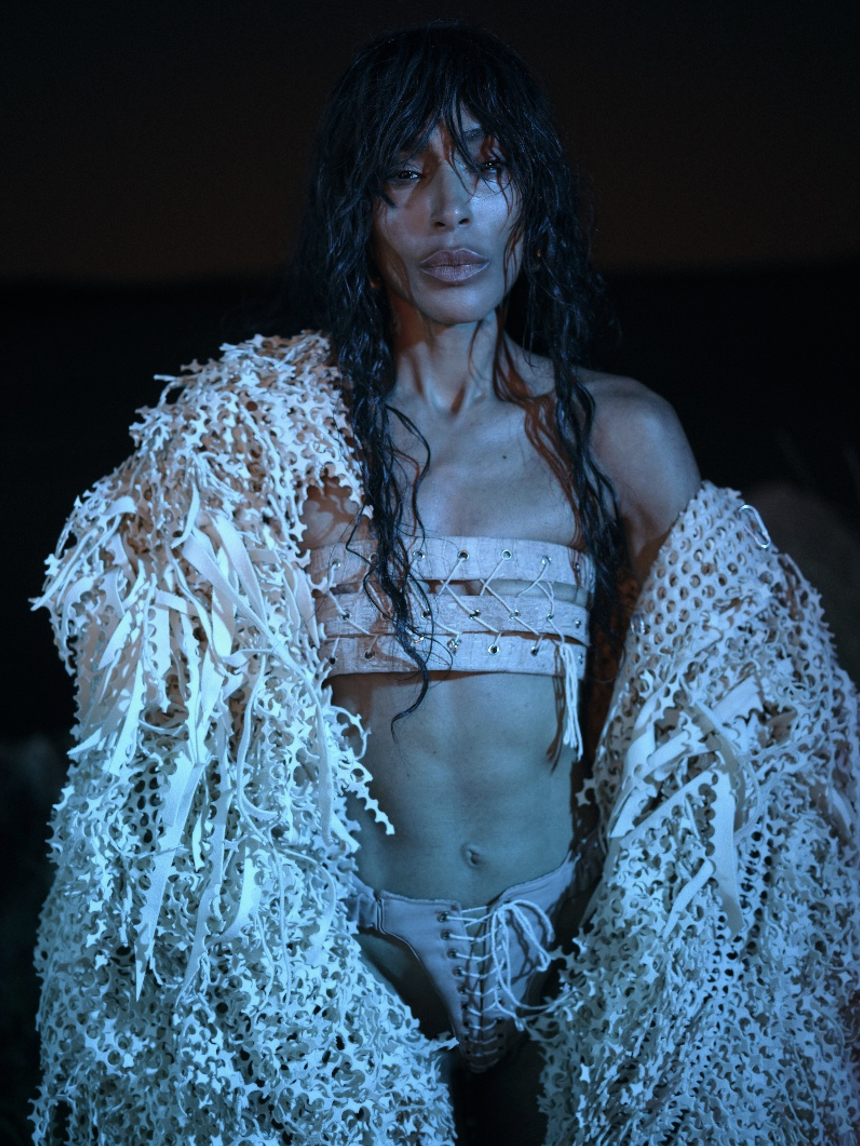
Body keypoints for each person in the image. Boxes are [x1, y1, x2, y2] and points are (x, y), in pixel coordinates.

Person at [32, 23, 859, 1146]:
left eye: (486, 166)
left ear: (531, 199)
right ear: (358, 211)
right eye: (404, 174)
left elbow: (724, 706)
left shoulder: (618, 436)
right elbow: (160, 663)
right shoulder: (282, 442)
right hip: (353, 966)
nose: (449, 210)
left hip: (564, 955)